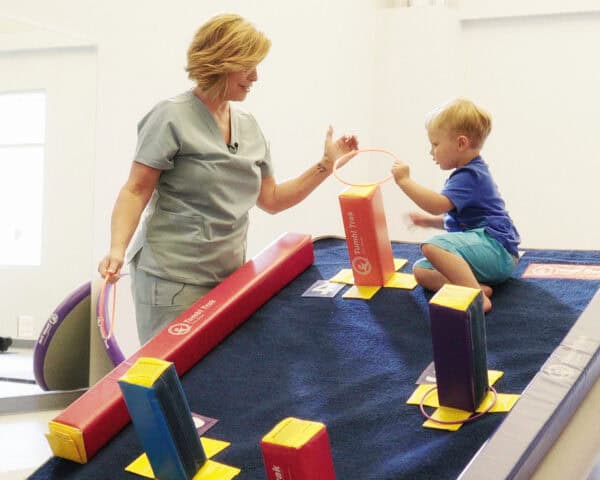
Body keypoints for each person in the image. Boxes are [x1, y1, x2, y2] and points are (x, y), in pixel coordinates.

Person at [97, 13, 358, 343]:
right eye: (248, 66)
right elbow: (136, 190)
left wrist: (325, 164)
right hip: (170, 279)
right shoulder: (170, 117)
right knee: (173, 379)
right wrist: (117, 248)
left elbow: (273, 200)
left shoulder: (248, 126)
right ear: (221, 61)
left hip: (227, 278)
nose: (256, 76)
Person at [391, 98, 520, 313]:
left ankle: (477, 299)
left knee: (432, 246)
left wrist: (404, 181)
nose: (431, 152)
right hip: (487, 253)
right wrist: (430, 222)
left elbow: (437, 205)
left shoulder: (470, 175)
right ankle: (475, 288)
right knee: (421, 270)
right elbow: (464, 223)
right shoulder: (468, 174)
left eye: (435, 144)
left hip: (498, 252)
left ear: (461, 143)